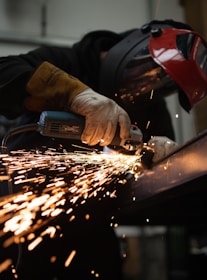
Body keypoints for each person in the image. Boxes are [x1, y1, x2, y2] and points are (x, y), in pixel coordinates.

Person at [0, 19, 198, 280]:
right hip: (20, 211)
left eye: (165, 85)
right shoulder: (68, 61)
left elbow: (154, 178)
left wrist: (160, 160)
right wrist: (75, 94)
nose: (150, 87)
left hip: (90, 224)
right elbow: (4, 71)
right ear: (133, 48)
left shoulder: (150, 106)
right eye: (152, 74)